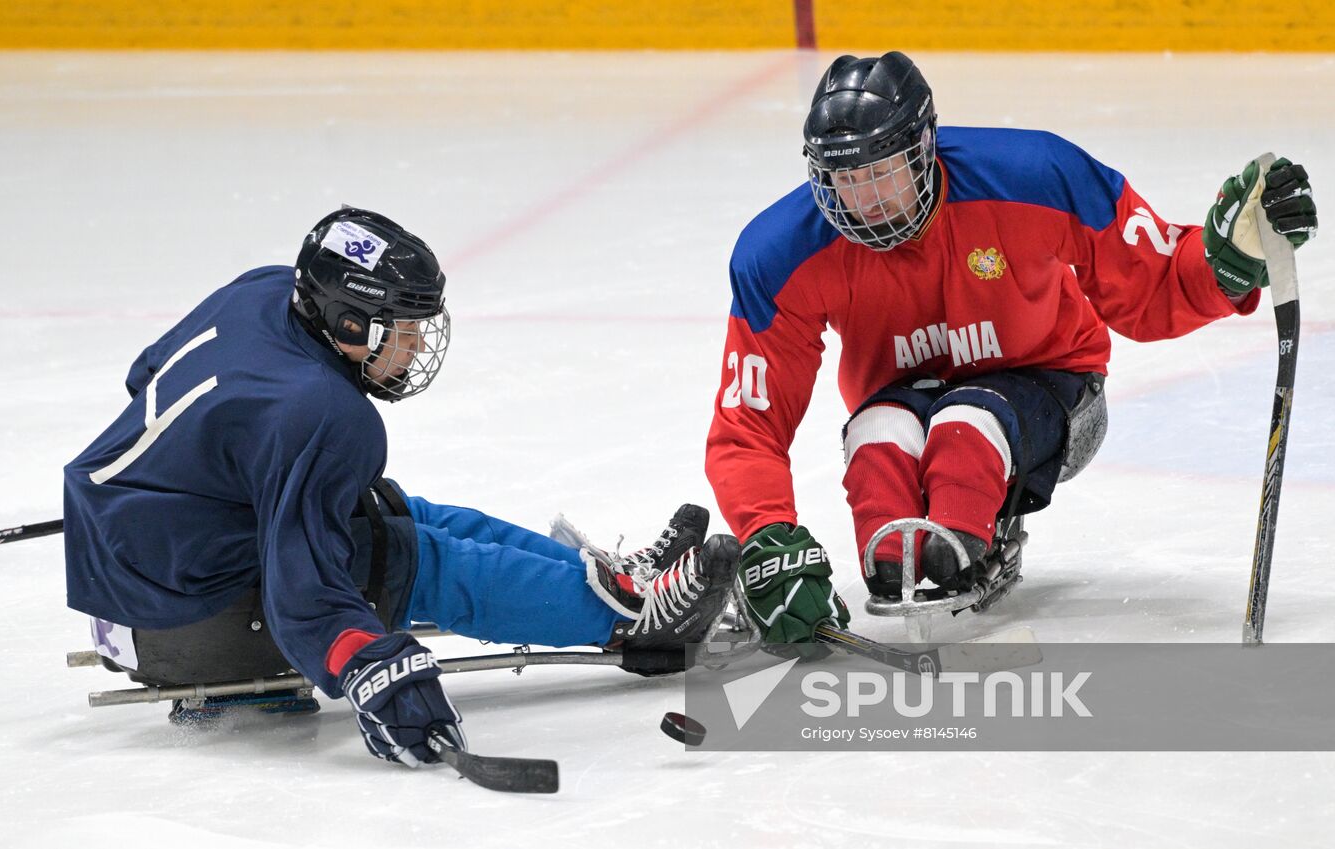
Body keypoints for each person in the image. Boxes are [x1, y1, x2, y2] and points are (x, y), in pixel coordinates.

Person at [63, 206, 736, 765]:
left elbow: (144, 376)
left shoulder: (265, 291)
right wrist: (366, 663)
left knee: (393, 515)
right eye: (404, 330)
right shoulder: (324, 412)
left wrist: (194, 492)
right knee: (407, 558)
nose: (416, 346)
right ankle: (631, 626)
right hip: (178, 614)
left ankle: (616, 588)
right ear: (349, 325)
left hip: (126, 546)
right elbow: (306, 593)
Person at [705, 52, 1317, 643]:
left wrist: (1227, 261)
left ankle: (957, 538)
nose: (862, 201)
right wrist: (766, 538)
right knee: (878, 437)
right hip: (900, 401)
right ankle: (901, 559)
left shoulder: (1034, 175)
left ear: (922, 150)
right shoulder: (779, 254)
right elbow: (746, 428)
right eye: (844, 179)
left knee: (965, 421)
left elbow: (1148, 283)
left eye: (881, 173)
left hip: (1056, 391)